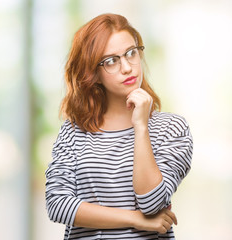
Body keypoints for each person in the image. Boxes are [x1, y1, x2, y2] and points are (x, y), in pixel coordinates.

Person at [45, 13, 193, 239]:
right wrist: (134, 219)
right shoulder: (74, 131)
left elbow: (152, 203)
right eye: (111, 61)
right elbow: (57, 204)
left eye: (131, 53)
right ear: (93, 73)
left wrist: (141, 127)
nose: (127, 67)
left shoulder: (171, 128)